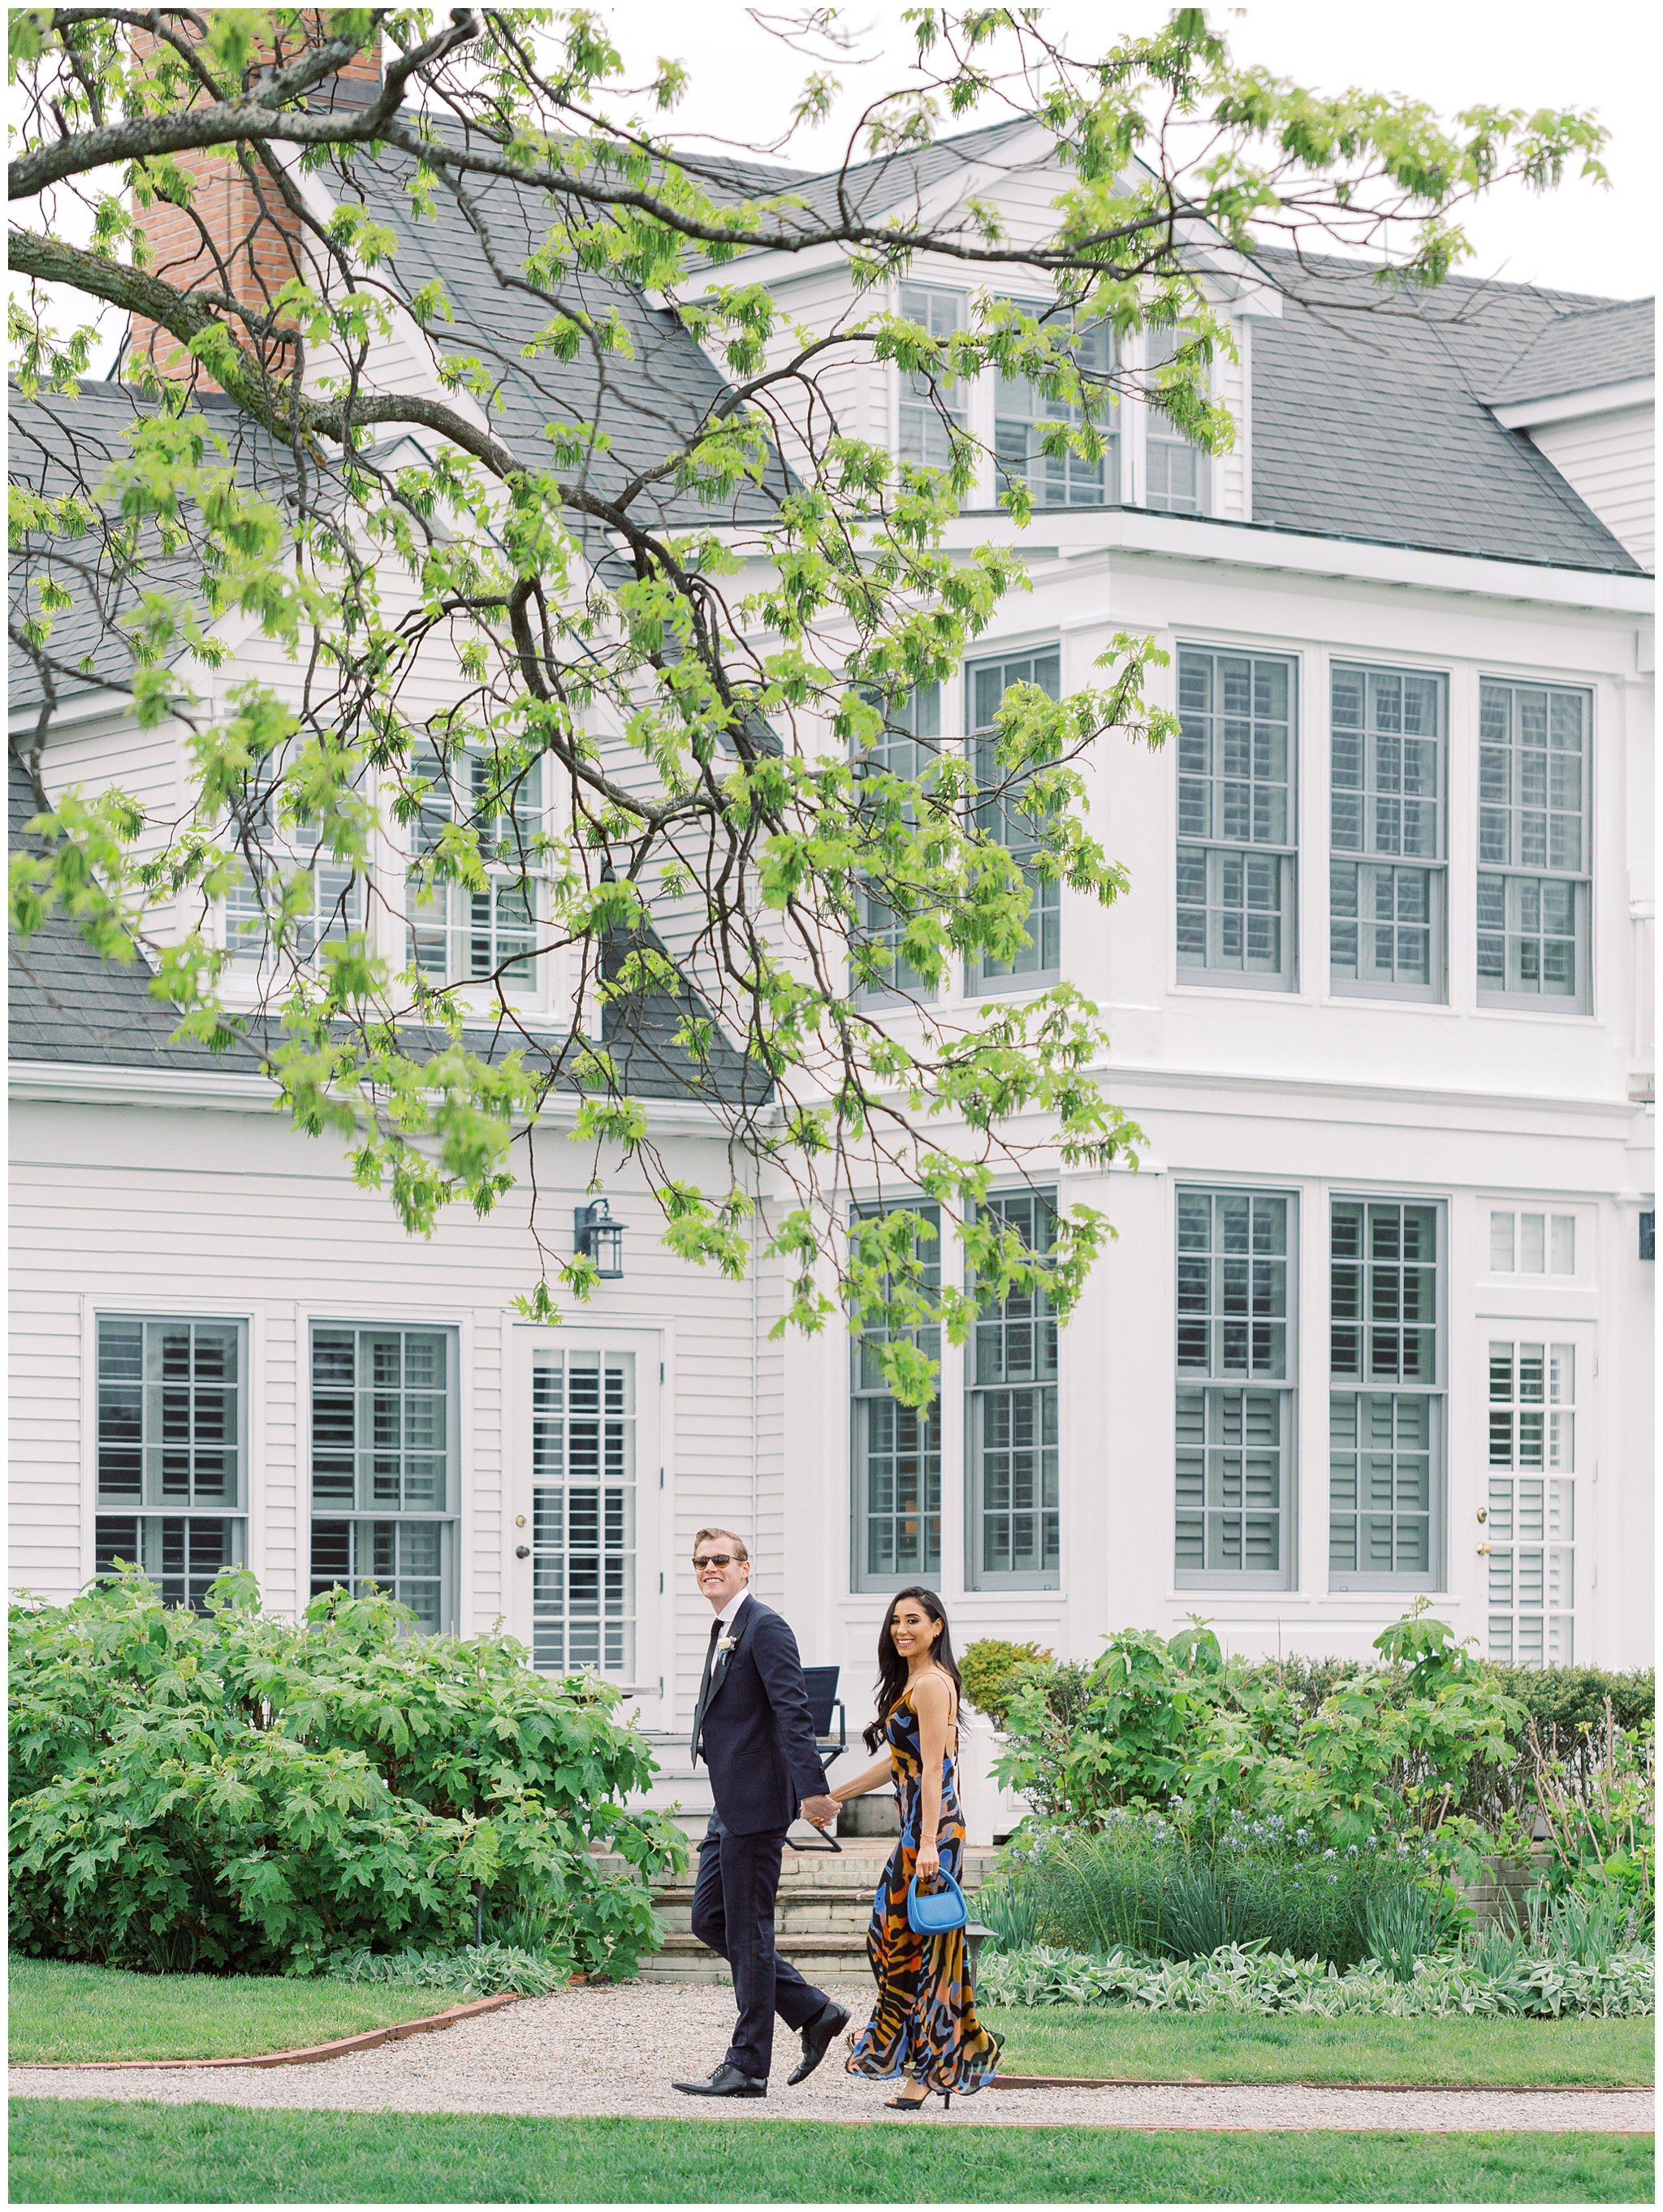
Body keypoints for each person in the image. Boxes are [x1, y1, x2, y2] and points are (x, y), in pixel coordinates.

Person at [670, 1527, 850, 2099]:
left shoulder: (765, 1626)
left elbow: (794, 1712)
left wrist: (813, 1791)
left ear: (745, 1568)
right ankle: (813, 2010)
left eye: (720, 1560)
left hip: (756, 1801)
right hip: (729, 1799)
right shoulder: (726, 1626)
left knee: (749, 1932)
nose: (709, 1569)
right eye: (701, 1561)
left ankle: (748, 2065)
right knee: (709, 1920)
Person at [827, 1586, 1003, 2110]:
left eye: (913, 1621)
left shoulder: (931, 1684)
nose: (901, 1630)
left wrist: (927, 1842)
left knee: (924, 1952)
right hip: (921, 1831)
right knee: (892, 1941)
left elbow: (933, 1769)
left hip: (935, 1833)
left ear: (936, 1626)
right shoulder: (915, 1681)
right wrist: (835, 1797)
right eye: (895, 1621)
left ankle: (928, 2069)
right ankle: (924, 2054)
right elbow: (899, 1763)